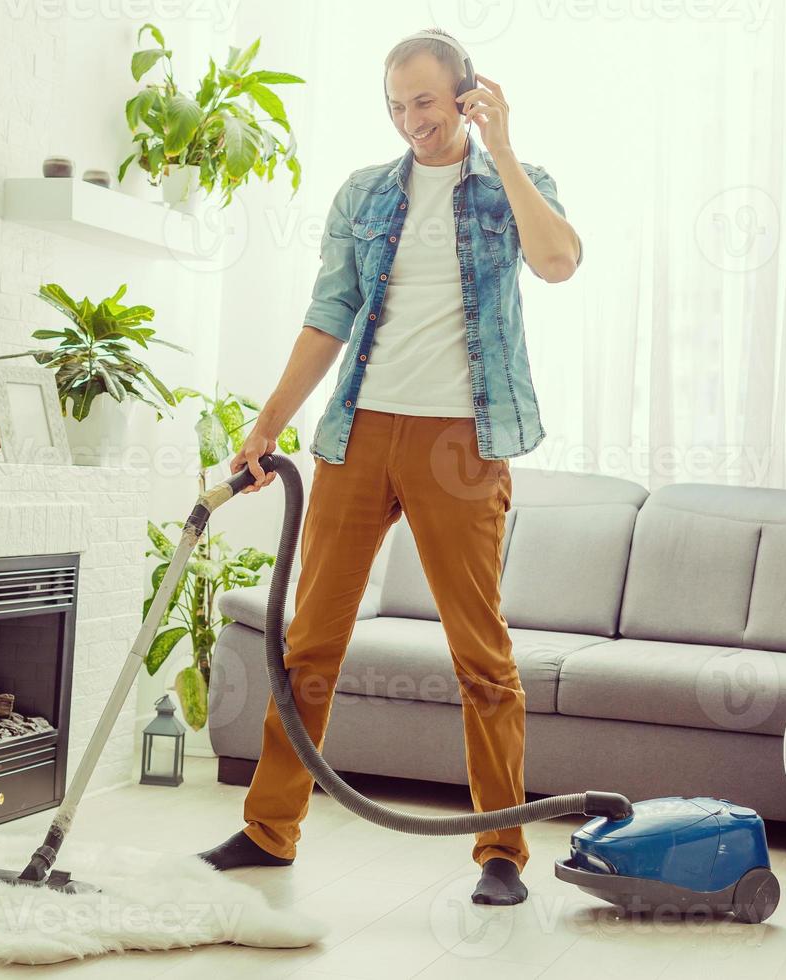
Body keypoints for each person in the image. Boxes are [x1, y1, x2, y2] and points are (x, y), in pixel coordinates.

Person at [196, 28, 581, 906]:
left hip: (460, 445)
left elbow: (557, 262)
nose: (413, 121)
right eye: (397, 106)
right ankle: (269, 831)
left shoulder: (511, 187)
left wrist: (507, 149)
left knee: (480, 653)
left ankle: (499, 852)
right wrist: (265, 428)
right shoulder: (365, 196)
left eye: (428, 104)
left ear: (468, 98)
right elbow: (328, 315)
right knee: (311, 640)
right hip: (359, 436)